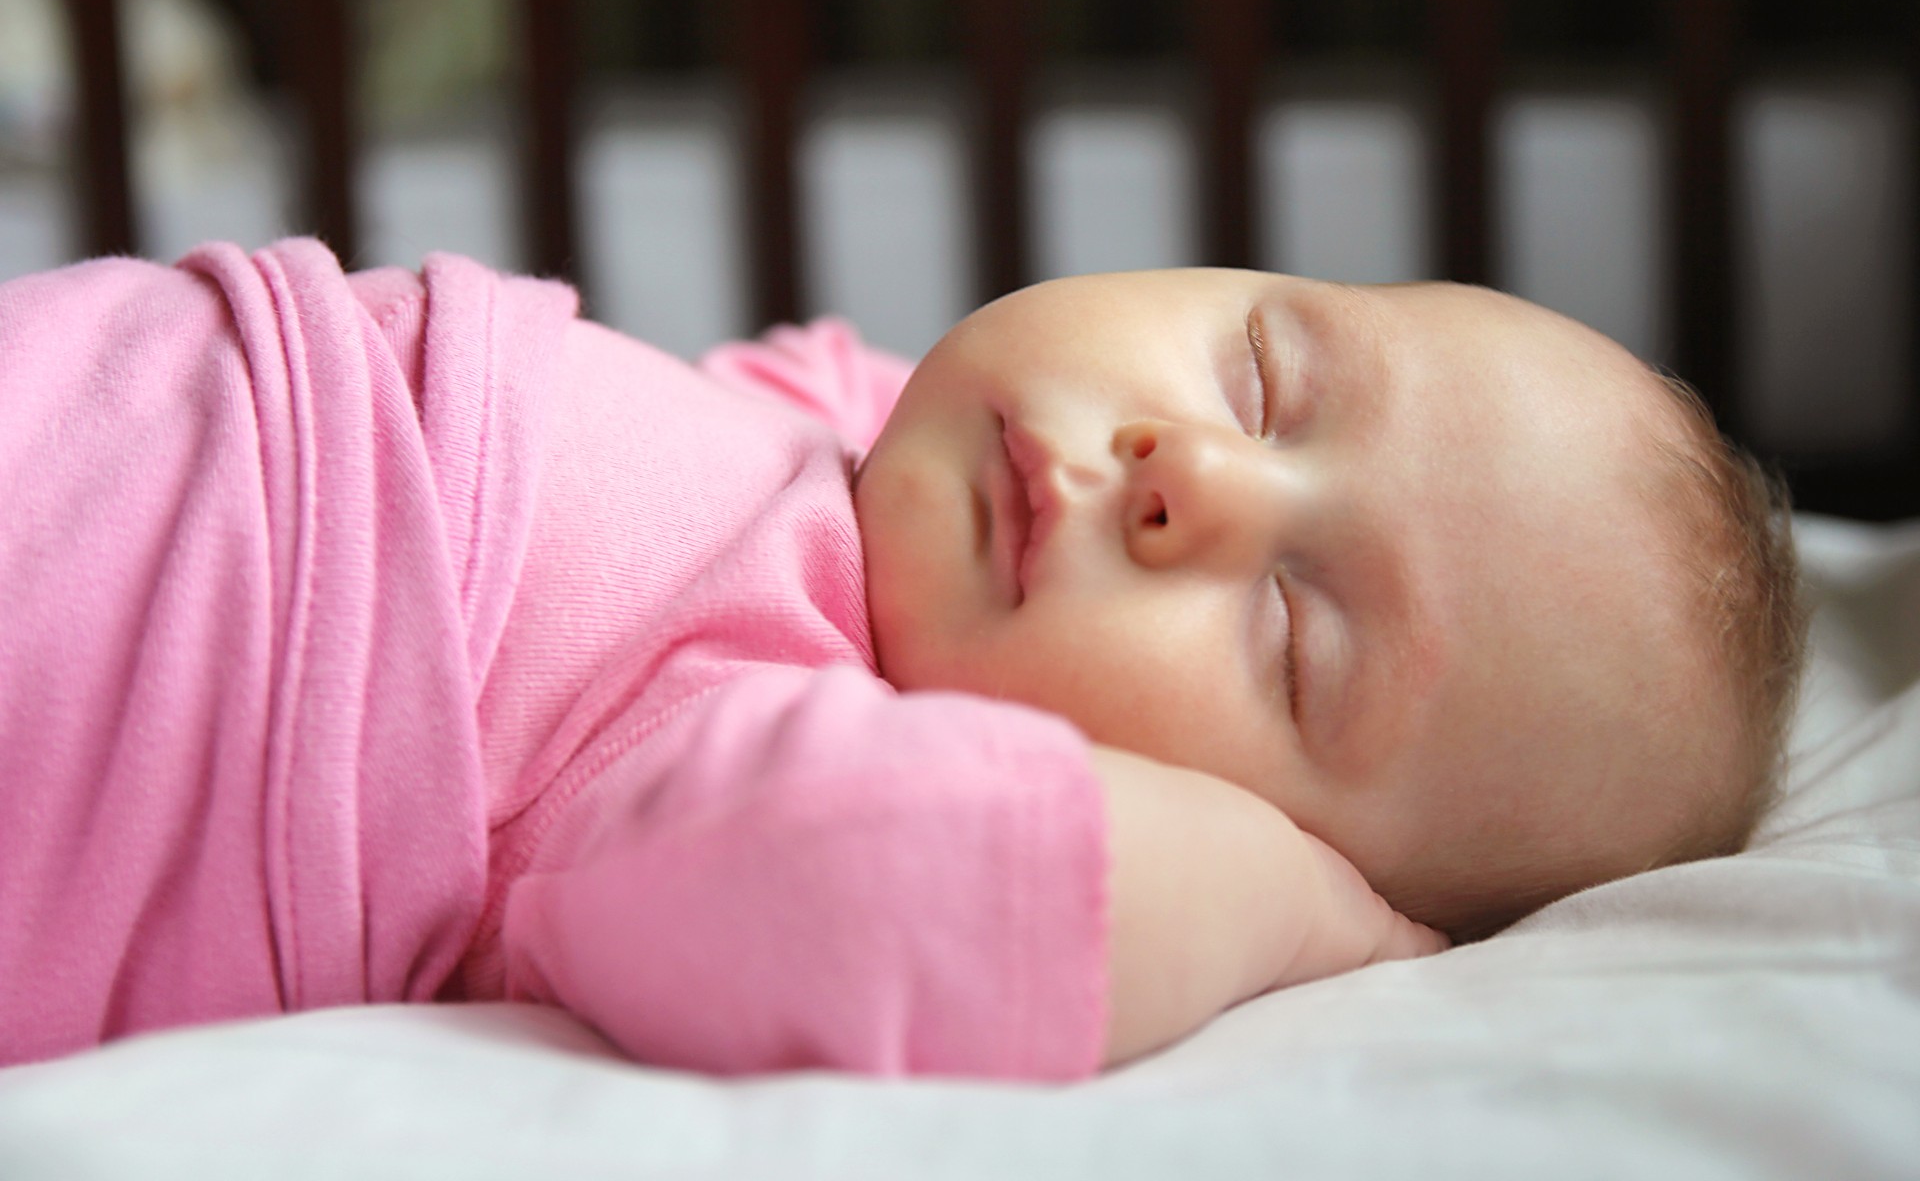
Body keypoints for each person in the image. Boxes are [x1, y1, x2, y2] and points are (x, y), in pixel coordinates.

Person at [0, 240, 1804, 1076]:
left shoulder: (772, 741)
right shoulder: (826, 449)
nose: (1190, 478)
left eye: (1289, 636)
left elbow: (915, 882)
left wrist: (1307, 912)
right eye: (1263, 378)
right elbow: (894, 383)